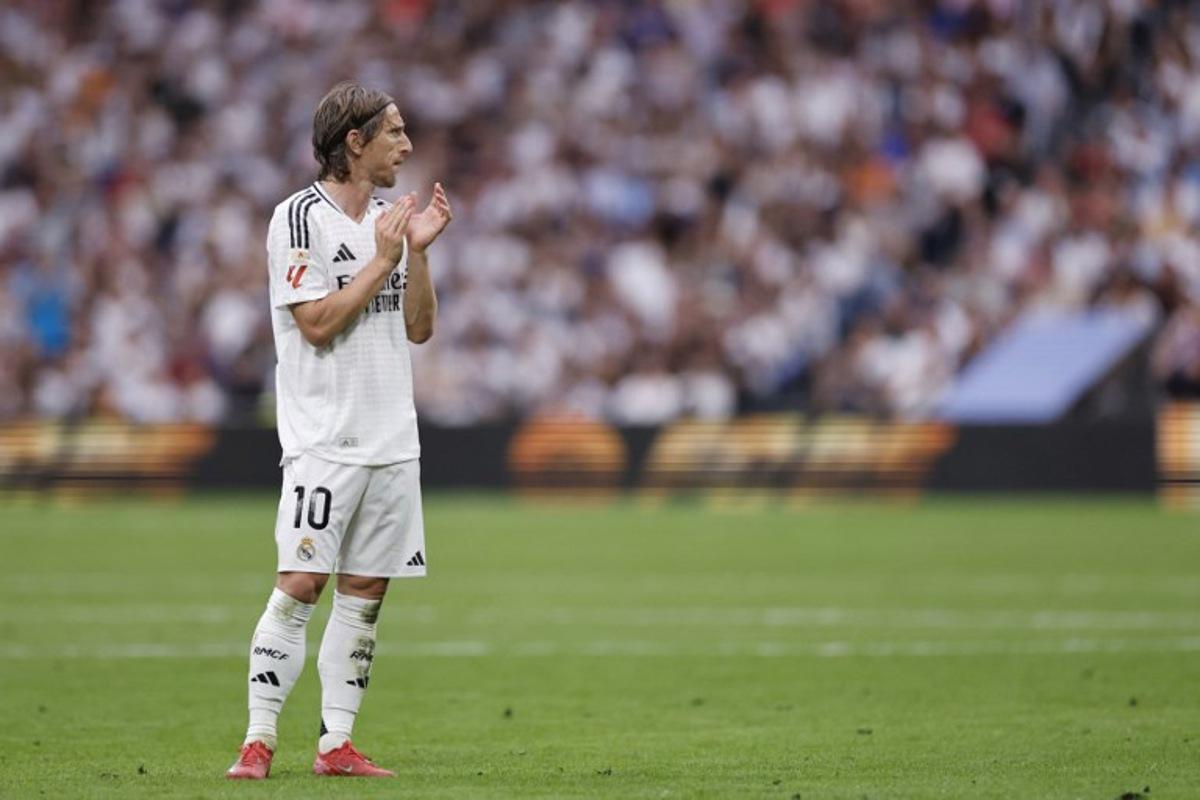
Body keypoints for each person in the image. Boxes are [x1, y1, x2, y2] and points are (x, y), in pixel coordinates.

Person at [226, 81, 453, 780]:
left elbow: (419, 328)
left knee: (365, 596)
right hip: (326, 442)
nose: (406, 147)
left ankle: (336, 746)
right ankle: (258, 742)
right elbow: (316, 324)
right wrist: (385, 258)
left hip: (392, 442)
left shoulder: (390, 220)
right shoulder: (299, 220)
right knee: (299, 585)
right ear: (353, 143)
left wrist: (415, 253)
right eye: (394, 133)